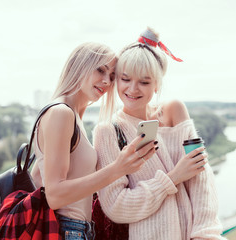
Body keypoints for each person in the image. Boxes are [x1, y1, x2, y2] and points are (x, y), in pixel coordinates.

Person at [93, 28, 225, 240]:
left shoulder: (174, 111)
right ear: (116, 79)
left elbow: (201, 175)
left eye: (144, 82)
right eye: (125, 79)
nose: (133, 89)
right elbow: (117, 207)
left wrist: (205, 233)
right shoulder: (108, 131)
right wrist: (172, 178)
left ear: (156, 85)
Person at [30, 42, 158, 240]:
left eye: (112, 76)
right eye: (101, 70)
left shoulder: (73, 115)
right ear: (80, 65)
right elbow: (54, 196)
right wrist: (117, 169)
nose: (107, 81)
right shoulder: (61, 113)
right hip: (68, 230)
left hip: (78, 230)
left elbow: (39, 176)